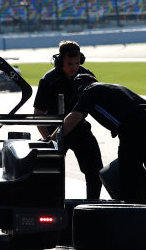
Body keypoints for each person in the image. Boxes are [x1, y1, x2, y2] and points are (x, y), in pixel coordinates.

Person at [49, 74, 146, 240]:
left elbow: (74, 118)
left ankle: (135, 226)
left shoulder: (89, 90)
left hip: (134, 128)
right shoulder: (111, 87)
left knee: (130, 177)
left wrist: (51, 140)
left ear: (79, 91)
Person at [33, 41, 103, 199]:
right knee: (50, 172)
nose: (74, 67)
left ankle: (92, 204)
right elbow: (38, 115)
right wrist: (48, 140)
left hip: (80, 128)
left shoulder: (86, 77)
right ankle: (52, 205)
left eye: (77, 63)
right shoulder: (49, 81)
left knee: (95, 169)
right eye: (69, 63)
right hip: (54, 133)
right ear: (59, 62)